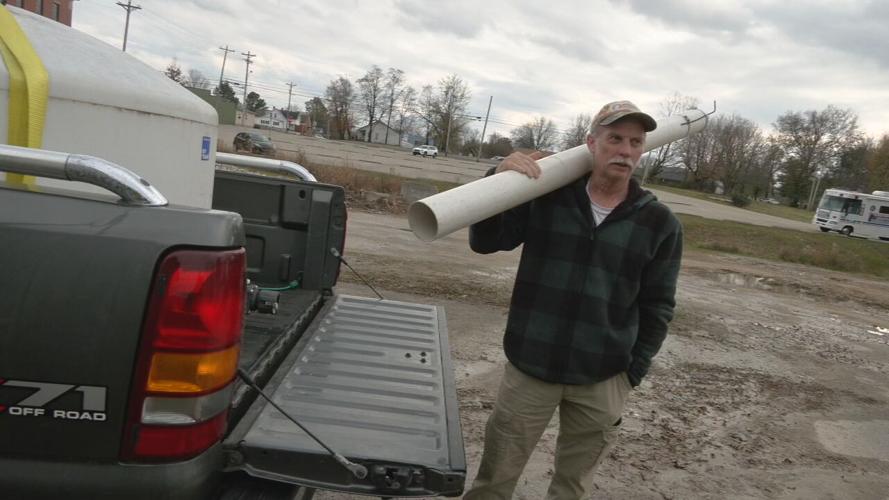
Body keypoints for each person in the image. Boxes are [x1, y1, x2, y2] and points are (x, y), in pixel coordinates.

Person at [464, 100, 683, 499]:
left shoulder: (658, 223)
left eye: (635, 142)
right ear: (591, 143)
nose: (625, 150)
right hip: (531, 368)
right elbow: (487, 241)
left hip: (603, 376)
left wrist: (631, 373)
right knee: (493, 483)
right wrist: (496, 179)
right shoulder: (547, 195)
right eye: (615, 138)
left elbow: (658, 306)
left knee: (572, 488)